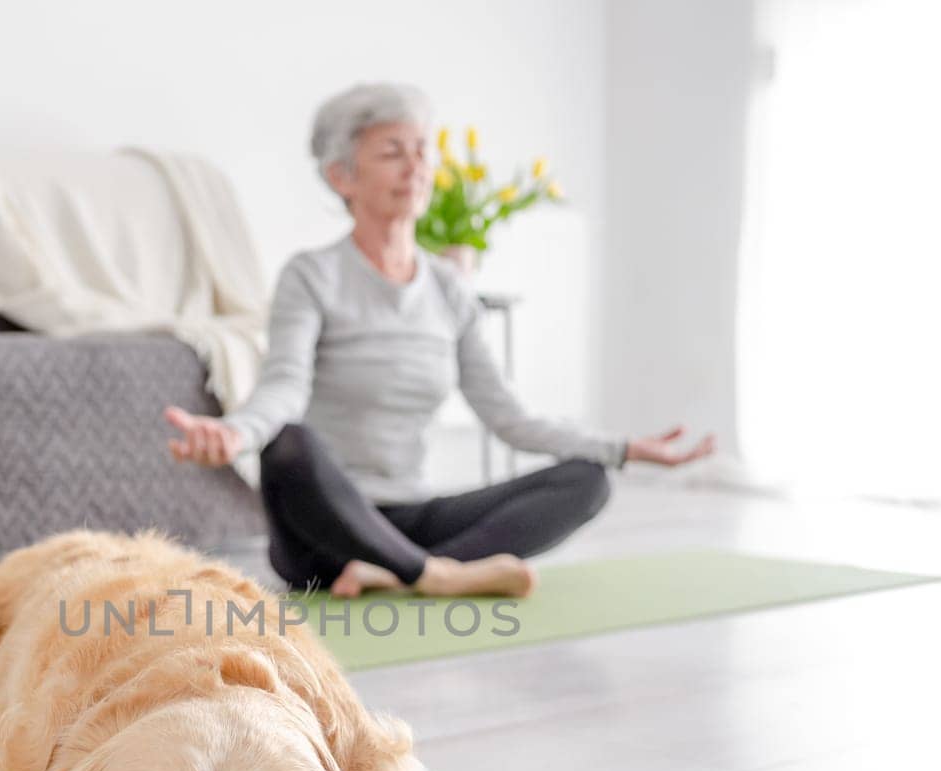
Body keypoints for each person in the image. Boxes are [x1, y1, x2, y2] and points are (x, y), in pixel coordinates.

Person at [165, 82, 716, 599]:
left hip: (412, 516)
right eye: (392, 153)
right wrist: (234, 433)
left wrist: (623, 449)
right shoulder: (312, 276)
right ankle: (429, 574)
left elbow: (508, 417)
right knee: (289, 444)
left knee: (587, 481)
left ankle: (404, 570)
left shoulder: (449, 288)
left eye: (422, 152)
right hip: (326, 532)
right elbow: (283, 386)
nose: (416, 168)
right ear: (342, 177)